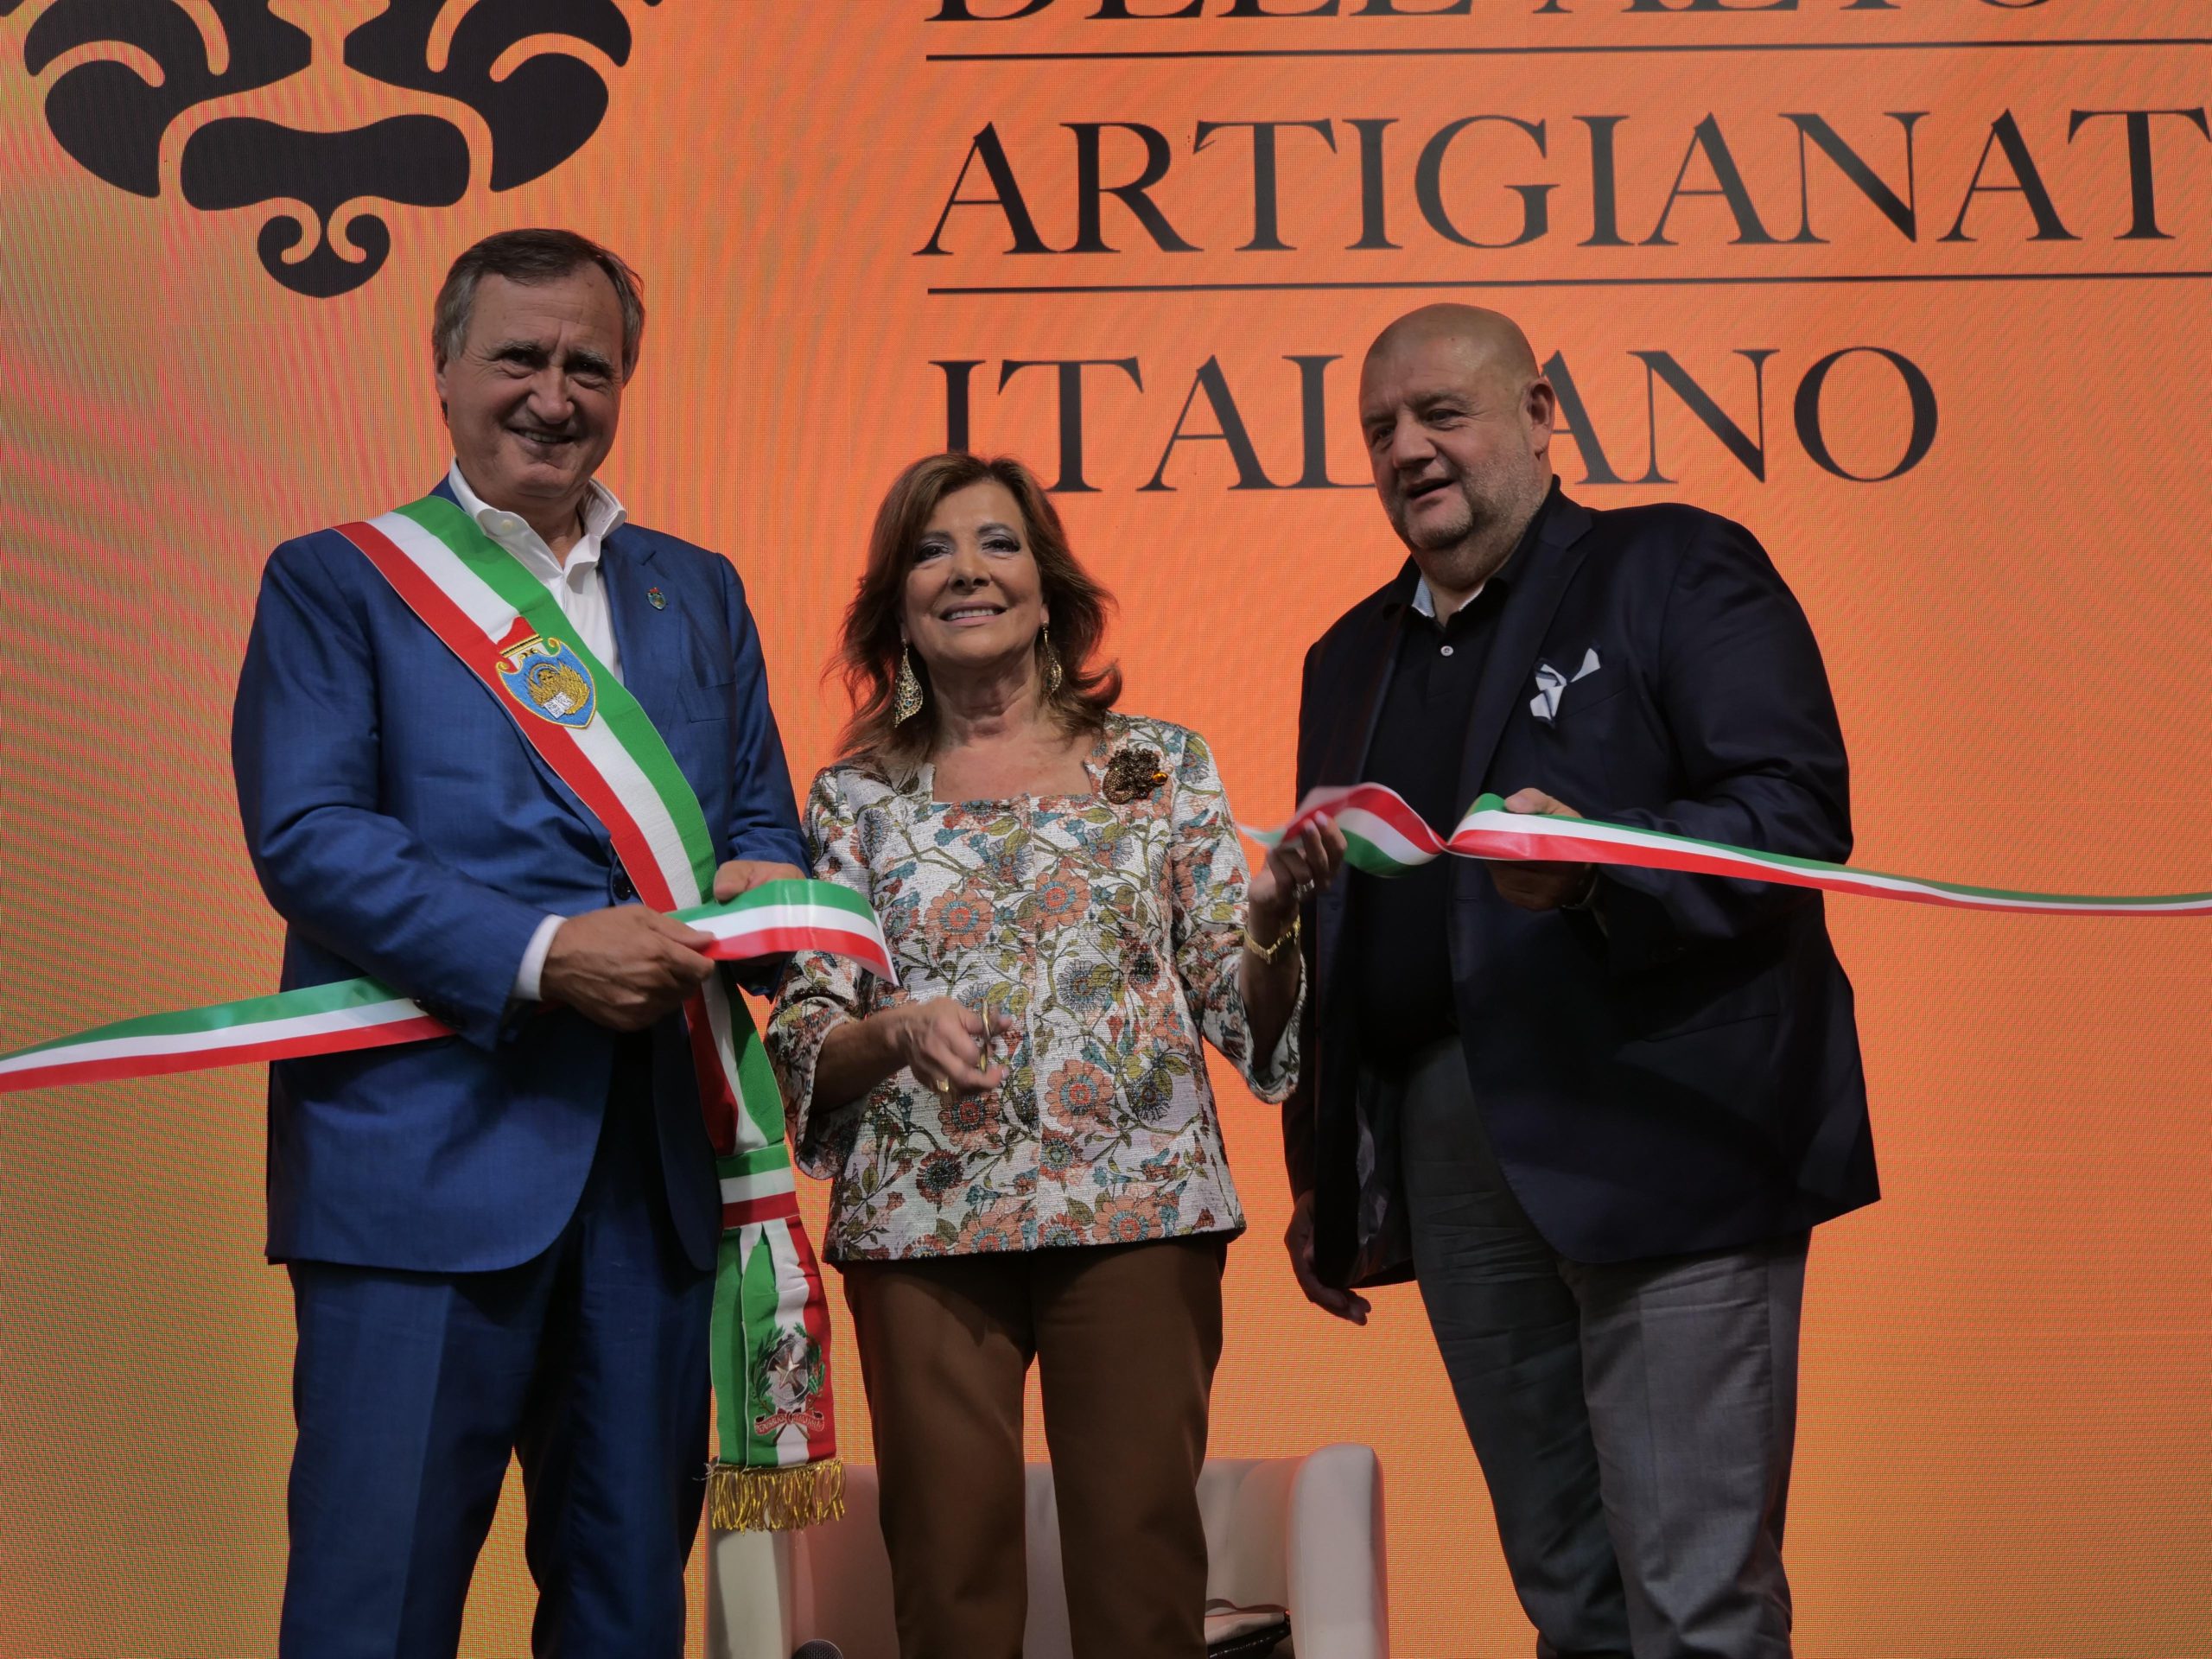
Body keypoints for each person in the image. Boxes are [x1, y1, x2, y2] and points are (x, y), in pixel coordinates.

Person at [232, 228, 806, 1657]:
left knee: (627, 1615)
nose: (554, 397)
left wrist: (765, 892)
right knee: (373, 1613)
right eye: (519, 359)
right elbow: (311, 836)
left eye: (587, 367)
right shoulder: (336, 582)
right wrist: (546, 954)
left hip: (654, 1181)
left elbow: (760, 822)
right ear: (443, 371)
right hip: (416, 1171)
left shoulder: (700, 589)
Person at [1282, 303, 1875, 1659]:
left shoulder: (1672, 564)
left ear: (1542, 413)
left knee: (1695, 1595)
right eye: (1379, 429)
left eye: (1442, 412)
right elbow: (1346, 927)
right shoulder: (1346, 656)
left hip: (1660, 1126)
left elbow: (1792, 811)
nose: (1407, 449)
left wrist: (1603, 866)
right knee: (1569, 1597)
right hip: (1449, 1146)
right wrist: (1325, 1167)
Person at [766, 451, 1343, 1659]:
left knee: (1142, 1579)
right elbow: (809, 1032)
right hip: (923, 1225)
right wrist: (898, 1030)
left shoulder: (1159, 767)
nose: (967, 571)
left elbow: (1242, 1018)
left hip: (1139, 1212)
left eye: (998, 543)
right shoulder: (853, 798)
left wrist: (1274, 919)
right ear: (896, 608)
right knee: (950, 1585)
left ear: (1048, 590)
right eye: (932, 551)